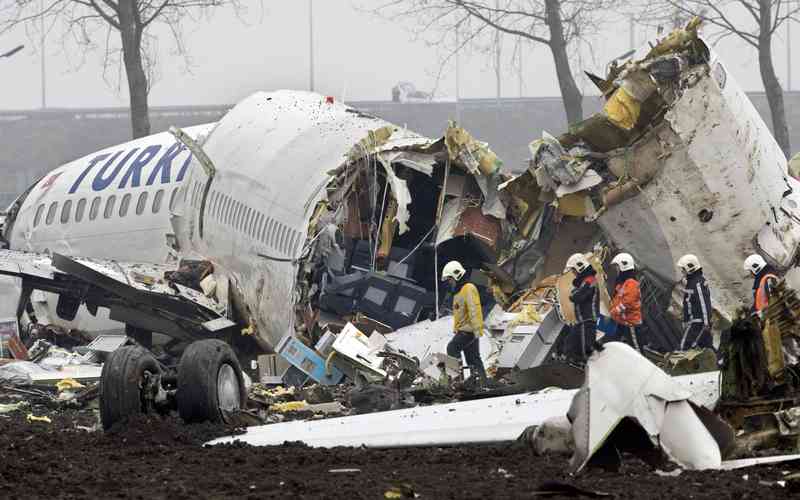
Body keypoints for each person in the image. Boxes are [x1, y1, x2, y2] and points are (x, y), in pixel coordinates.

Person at [442, 260, 486, 381]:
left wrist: (477, 329)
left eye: (450, 279)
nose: (449, 283)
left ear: (457, 275)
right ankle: (482, 381)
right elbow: (459, 314)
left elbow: (474, 308)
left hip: (469, 329)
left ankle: (457, 380)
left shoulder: (468, 288)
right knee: (473, 358)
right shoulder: (458, 292)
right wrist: (456, 329)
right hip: (465, 329)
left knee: (452, 348)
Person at [564, 253, 600, 361]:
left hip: (588, 320)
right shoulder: (585, 281)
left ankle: (585, 368)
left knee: (585, 350)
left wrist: (574, 293)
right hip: (582, 321)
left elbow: (577, 296)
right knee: (569, 344)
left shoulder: (590, 280)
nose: (574, 273)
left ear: (580, 267)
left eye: (573, 270)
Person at [676, 254, 713, 350]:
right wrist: (685, 320)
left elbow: (704, 304)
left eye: (683, 269)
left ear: (690, 268)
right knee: (706, 347)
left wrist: (706, 323)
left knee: (685, 346)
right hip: (697, 322)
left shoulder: (697, 284)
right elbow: (687, 303)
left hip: (698, 323)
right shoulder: (692, 282)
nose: (682, 272)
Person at [609, 252, 644, 352]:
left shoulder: (631, 283)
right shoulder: (622, 284)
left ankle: (642, 366)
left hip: (631, 323)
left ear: (623, 266)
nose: (616, 270)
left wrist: (615, 311)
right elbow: (617, 299)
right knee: (614, 343)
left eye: (617, 267)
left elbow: (628, 302)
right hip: (622, 323)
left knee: (637, 350)